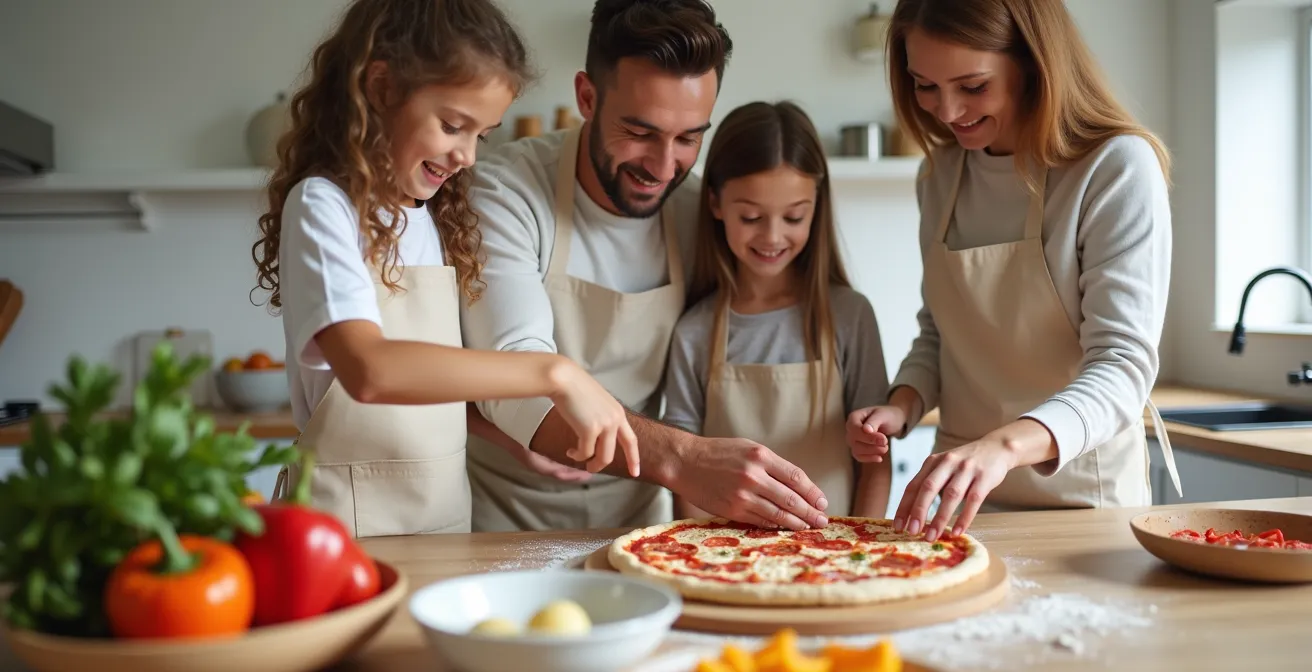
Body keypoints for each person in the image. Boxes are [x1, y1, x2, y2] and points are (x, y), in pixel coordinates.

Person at [249, 0, 639, 539]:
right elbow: (371, 370)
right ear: (382, 88)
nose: (468, 157)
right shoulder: (322, 207)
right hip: (342, 529)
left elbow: (430, 388)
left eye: (481, 134)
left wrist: (510, 440)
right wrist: (557, 372)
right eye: (454, 126)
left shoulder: (428, 219)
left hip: (443, 520)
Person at [461, 0, 830, 533]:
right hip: (500, 514)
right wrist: (683, 457)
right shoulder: (507, 193)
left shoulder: (698, 211)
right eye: (640, 132)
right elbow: (517, 383)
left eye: (688, 138)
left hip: (641, 519)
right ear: (587, 97)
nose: (662, 168)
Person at [846, 0, 1182, 543]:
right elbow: (942, 333)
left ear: (1033, 64)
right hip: (958, 503)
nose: (947, 111)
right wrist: (902, 404)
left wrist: (1003, 448)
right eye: (924, 85)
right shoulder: (939, 176)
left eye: (972, 86)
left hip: (1082, 506)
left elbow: (1122, 367)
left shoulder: (1114, 167)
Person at [661, 101, 893, 520]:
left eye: (793, 216)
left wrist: (860, 548)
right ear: (715, 203)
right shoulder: (694, 331)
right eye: (751, 216)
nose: (772, 236)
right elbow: (685, 469)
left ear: (816, 207)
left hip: (831, 559)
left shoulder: (849, 316)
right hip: (719, 558)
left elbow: (875, 460)